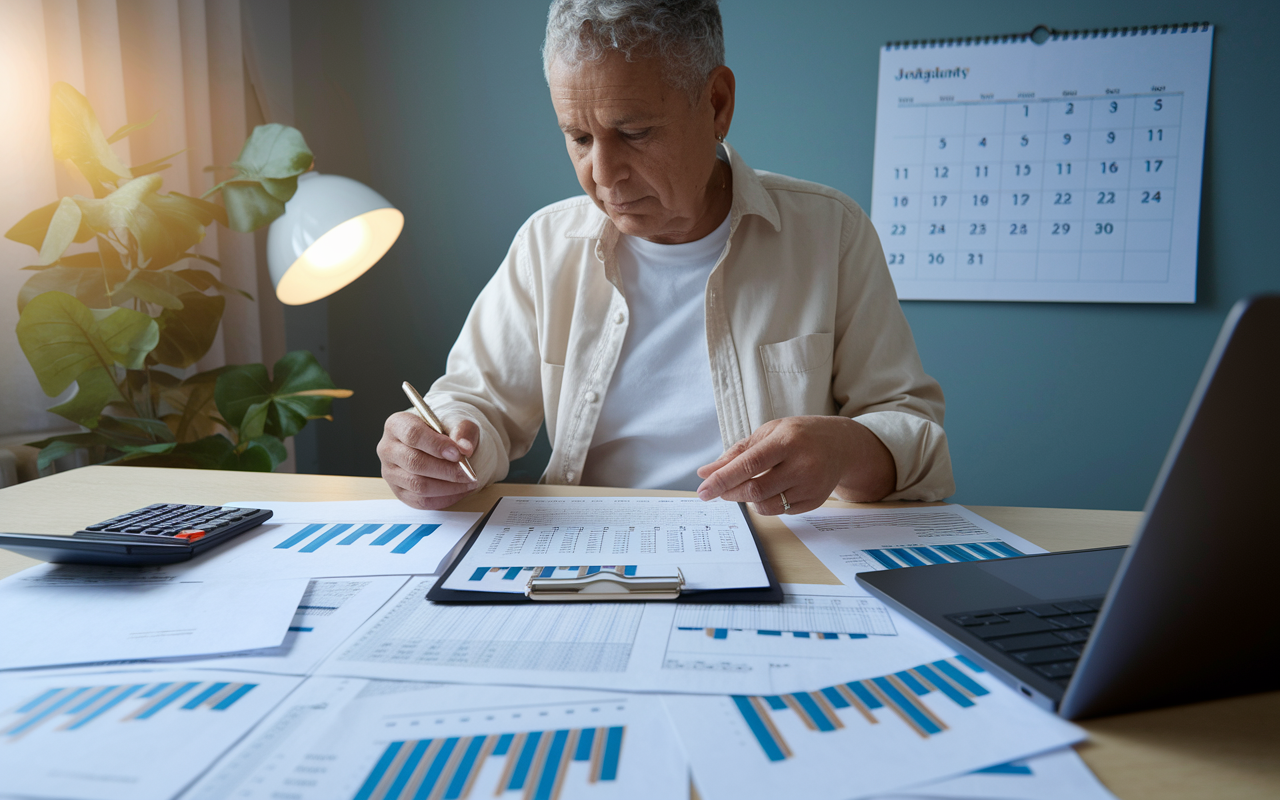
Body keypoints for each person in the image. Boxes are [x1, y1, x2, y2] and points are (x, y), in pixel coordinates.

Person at [377, 0, 954, 515]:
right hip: (585, 556)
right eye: (578, 137)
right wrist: (439, 444)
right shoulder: (546, 244)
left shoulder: (831, 232)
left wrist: (843, 447)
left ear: (717, 104)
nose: (602, 176)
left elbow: (915, 437)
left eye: (633, 132)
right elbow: (476, 402)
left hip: (779, 554)